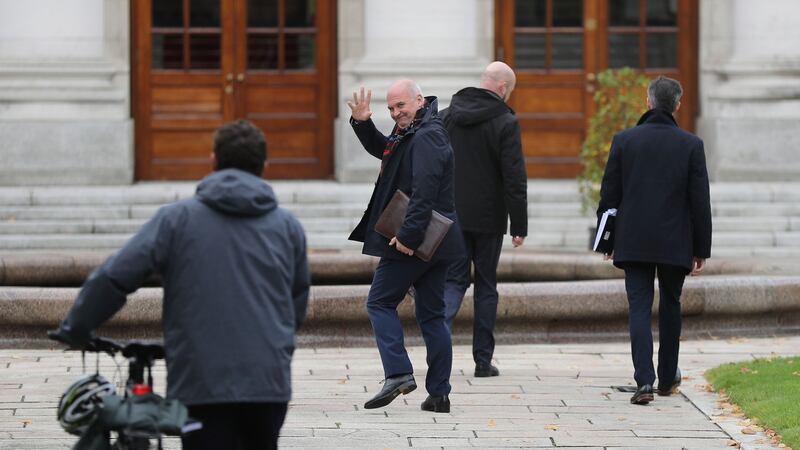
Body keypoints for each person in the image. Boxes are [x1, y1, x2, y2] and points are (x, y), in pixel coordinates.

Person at [52, 120, 310, 449]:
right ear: (264, 166)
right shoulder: (288, 227)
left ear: (213, 161)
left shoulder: (176, 220)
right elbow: (296, 302)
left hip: (201, 382)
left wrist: (77, 326)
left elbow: (114, 276)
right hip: (268, 382)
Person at [346, 80, 464, 413]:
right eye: (392, 109)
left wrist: (409, 237)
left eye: (402, 106)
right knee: (432, 316)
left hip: (415, 239)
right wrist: (363, 123)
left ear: (420, 100)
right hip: (439, 242)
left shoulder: (428, 134)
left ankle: (398, 373)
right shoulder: (417, 130)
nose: (397, 113)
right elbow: (387, 151)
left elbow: (424, 190)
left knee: (379, 302)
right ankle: (439, 394)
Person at [597, 76, 712, 405]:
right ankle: (667, 377)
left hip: (633, 239)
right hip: (676, 241)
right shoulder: (691, 145)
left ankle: (644, 381)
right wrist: (701, 248)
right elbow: (699, 201)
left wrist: (606, 240)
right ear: (678, 105)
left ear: (647, 103)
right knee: (672, 305)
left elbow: (610, 196)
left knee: (639, 308)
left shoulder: (624, 141)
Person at [440, 61, 528, 378]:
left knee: (452, 280)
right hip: (489, 219)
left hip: (450, 215)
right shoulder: (505, 120)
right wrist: (519, 225)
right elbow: (514, 177)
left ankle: (437, 344)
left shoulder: (447, 115)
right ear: (502, 88)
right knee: (486, 285)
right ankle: (482, 360)